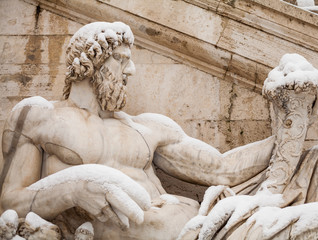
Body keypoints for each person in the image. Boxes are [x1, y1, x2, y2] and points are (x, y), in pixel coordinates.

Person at [0, 22, 276, 239]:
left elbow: (224, 169)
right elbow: (10, 203)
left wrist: (290, 123)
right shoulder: (40, 116)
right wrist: (75, 188)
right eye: (121, 59)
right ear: (90, 63)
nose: (130, 70)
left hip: (197, 226)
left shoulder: (148, 126)